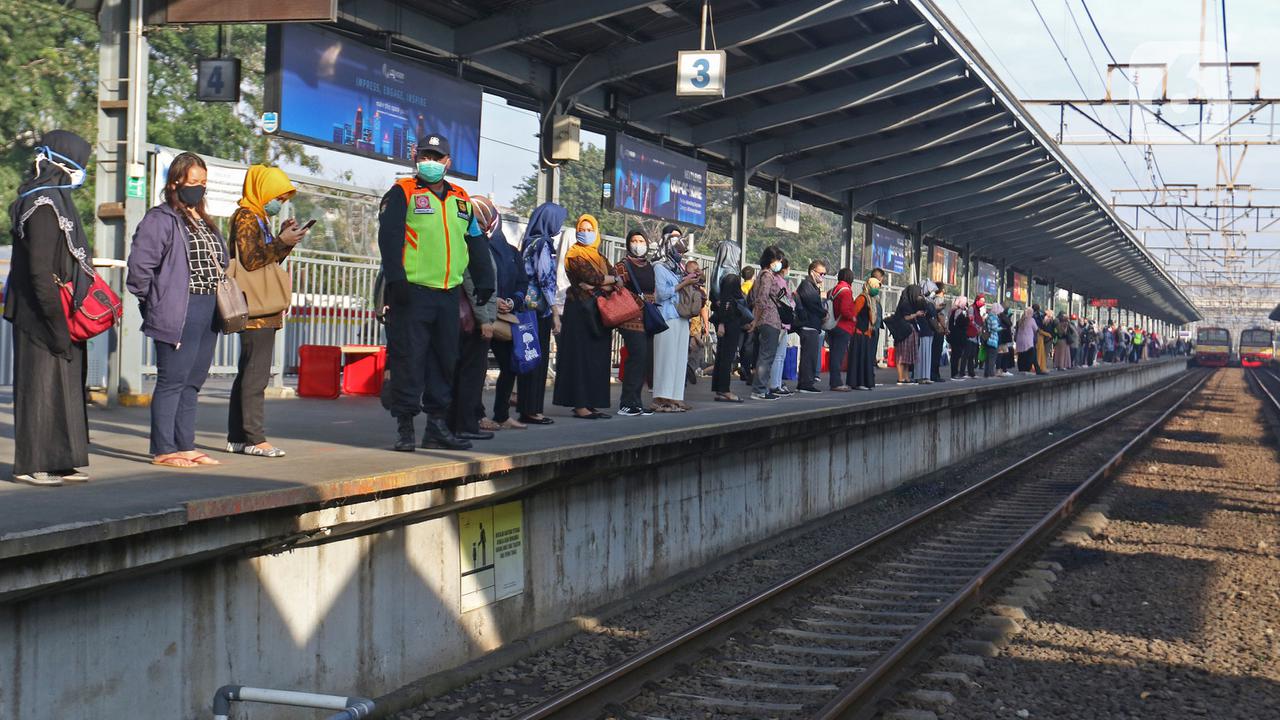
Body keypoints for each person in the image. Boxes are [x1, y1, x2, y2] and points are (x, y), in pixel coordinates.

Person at [378, 135, 494, 452]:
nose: (430, 160)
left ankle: (437, 426)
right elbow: (388, 238)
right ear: (417, 157)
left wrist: (485, 280)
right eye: (425, 155)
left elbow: (476, 241)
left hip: (448, 295)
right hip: (412, 293)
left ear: (447, 162)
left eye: (436, 156)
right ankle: (404, 427)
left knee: (445, 361)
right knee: (409, 360)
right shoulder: (403, 192)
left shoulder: (461, 199)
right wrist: (396, 280)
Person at [127, 152, 227, 468]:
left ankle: (186, 444)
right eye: (194, 182)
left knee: (193, 381)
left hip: (209, 307)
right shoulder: (160, 219)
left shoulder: (204, 221)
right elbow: (139, 269)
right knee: (172, 380)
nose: (199, 188)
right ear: (175, 182)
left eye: (204, 183)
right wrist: (153, 303)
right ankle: (164, 448)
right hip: (178, 308)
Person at [4, 131, 93, 485]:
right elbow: (40, 270)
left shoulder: (56, 199)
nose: (81, 172)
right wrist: (56, 325)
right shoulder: (42, 203)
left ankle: (60, 458)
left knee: (65, 385)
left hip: (61, 310)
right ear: (64, 161)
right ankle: (33, 462)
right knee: (39, 386)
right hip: (39, 312)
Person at [225, 165, 309, 458]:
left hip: (260, 307)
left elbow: (265, 258)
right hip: (257, 308)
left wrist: (283, 241)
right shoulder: (247, 216)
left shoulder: (257, 217)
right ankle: (254, 438)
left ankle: (238, 436)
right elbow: (251, 260)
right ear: (262, 191)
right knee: (256, 374)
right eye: (277, 196)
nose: (279, 203)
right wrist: (280, 243)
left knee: (248, 371)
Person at [447, 196, 501, 441]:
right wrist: (485, 319)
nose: (479, 224)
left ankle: (460, 423)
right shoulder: (471, 243)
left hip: (470, 318)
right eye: (477, 219)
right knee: (470, 375)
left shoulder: (471, 242)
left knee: (466, 374)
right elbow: (472, 282)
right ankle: (465, 424)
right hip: (473, 320)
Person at [552, 214, 615, 418]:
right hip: (580, 311)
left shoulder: (599, 257)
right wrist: (605, 281)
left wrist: (605, 280)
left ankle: (591, 402)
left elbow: (615, 277)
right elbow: (590, 277)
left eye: (590, 229)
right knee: (580, 358)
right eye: (582, 229)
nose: (585, 233)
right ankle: (580, 405)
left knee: (596, 359)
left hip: (599, 312)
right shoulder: (574, 254)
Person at [515, 202, 564, 426]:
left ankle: (526, 407)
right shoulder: (544, 245)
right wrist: (555, 312)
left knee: (528, 356)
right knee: (539, 359)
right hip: (539, 310)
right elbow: (546, 280)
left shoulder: (527, 242)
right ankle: (533, 410)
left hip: (525, 307)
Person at [482, 198, 529, 430]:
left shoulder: (511, 251)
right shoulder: (473, 245)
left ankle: (501, 413)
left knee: (509, 365)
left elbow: (522, 281)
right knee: (476, 367)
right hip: (480, 314)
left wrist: (511, 301)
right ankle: (476, 414)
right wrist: (492, 300)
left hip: (505, 318)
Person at [652, 226, 697, 411]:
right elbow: (661, 294)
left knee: (679, 359)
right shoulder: (659, 267)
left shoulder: (678, 268)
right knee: (666, 358)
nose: (680, 253)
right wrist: (683, 283)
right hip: (667, 316)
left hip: (681, 316)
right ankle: (662, 397)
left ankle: (676, 396)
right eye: (677, 248)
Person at [614, 229, 655, 416]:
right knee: (636, 357)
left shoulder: (649, 266)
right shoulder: (622, 266)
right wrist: (639, 301)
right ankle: (626, 402)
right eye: (634, 240)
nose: (638, 244)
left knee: (644, 359)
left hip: (647, 317)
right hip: (630, 317)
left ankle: (636, 402)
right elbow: (618, 290)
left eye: (641, 240)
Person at [748, 246, 787, 400]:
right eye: (778, 260)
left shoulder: (763, 276)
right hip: (768, 320)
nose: (779, 264)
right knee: (766, 356)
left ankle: (761, 388)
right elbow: (762, 299)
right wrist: (755, 320)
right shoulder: (767, 276)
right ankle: (759, 389)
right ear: (771, 261)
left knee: (766, 355)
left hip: (769, 320)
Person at [710, 273, 748, 403]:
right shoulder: (729, 298)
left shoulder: (720, 297)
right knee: (727, 358)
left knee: (722, 358)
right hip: (730, 327)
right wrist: (722, 323)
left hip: (726, 326)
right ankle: (725, 390)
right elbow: (727, 309)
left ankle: (719, 388)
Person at [794, 260, 826, 394]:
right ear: (812, 271)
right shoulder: (807, 285)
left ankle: (808, 382)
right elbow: (813, 304)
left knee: (812, 355)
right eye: (821, 273)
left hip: (813, 325)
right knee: (808, 356)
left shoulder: (813, 286)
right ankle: (805, 384)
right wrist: (824, 313)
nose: (823, 277)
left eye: (824, 274)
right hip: (808, 325)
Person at [826, 269, 857, 391]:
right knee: (838, 356)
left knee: (834, 354)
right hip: (843, 327)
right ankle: (836, 383)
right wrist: (853, 317)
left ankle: (834, 381)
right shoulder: (846, 291)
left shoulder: (832, 290)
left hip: (831, 325)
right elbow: (845, 310)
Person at [769, 258, 795, 396]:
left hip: (782, 323)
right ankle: (775, 384)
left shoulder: (778, 281)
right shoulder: (778, 282)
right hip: (780, 321)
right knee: (778, 356)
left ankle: (777, 383)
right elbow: (787, 301)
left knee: (780, 355)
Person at [850, 276, 881, 390]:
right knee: (860, 358)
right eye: (874, 287)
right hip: (859, 332)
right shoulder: (862, 298)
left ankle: (866, 382)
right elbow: (854, 314)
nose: (876, 289)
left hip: (867, 332)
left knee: (866, 358)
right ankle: (858, 382)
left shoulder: (872, 300)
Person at [892, 284, 924, 385]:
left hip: (910, 332)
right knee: (901, 355)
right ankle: (900, 377)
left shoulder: (912, 304)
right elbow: (905, 317)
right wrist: (916, 314)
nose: (919, 296)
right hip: (903, 333)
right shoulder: (904, 304)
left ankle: (906, 377)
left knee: (907, 356)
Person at [914, 280, 938, 384]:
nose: (933, 293)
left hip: (927, 331)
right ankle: (921, 376)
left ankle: (925, 376)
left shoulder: (927, 301)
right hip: (924, 330)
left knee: (926, 354)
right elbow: (931, 314)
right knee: (922, 354)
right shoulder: (922, 301)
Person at [948, 296, 973, 380]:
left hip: (954, 335)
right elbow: (960, 322)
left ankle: (955, 373)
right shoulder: (959, 312)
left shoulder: (952, 310)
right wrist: (967, 319)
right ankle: (954, 373)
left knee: (956, 355)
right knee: (956, 355)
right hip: (958, 336)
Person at [929, 294, 947, 382]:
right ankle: (934, 374)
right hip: (937, 333)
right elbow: (941, 320)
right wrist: (945, 328)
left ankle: (936, 374)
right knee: (935, 355)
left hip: (939, 333)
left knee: (936, 355)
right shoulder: (936, 313)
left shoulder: (938, 312)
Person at [983, 302, 1003, 377]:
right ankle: (991, 374)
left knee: (988, 358)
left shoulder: (989, 316)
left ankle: (986, 373)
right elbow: (994, 328)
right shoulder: (994, 317)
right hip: (993, 339)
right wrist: (1001, 328)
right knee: (992, 358)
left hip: (988, 339)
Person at [1015, 307, 1038, 374]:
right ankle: (1027, 369)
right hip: (1028, 341)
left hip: (1019, 341)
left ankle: (1021, 369)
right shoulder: (1031, 320)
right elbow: (1036, 329)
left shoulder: (1020, 320)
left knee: (1021, 355)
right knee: (1030, 356)